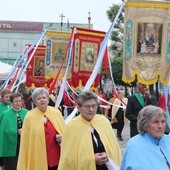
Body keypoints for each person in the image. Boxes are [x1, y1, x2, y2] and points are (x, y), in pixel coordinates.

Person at [58, 91, 122, 170]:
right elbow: (69, 158)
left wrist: (107, 155)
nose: (91, 109)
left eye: (94, 106)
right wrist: (91, 160)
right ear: (78, 107)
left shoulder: (104, 122)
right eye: (87, 106)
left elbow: (114, 148)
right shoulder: (71, 127)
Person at [17, 87, 65, 170]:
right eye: (38, 99)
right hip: (38, 154)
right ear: (35, 102)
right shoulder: (29, 116)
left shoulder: (56, 112)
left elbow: (64, 132)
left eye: (44, 97)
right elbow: (27, 140)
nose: (42, 100)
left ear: (48, 99)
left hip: (55, 156)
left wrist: (61, 138)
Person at [120, 105, 170, 170]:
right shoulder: (135, 144)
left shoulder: (168, 140)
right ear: (145, 125)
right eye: (156, 122)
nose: (160, 126)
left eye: (163, 121)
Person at [0, 92, 28, 170]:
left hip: (24, 143)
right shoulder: (6, 114)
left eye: (19, 101)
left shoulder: (27, 112)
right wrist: (16, 132)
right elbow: (3, 131)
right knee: (11, 166)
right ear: (11, 102)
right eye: (15, 101)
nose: (18, 103)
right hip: (10, 144)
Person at [0, 88, 12, 170]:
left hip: (11, 135)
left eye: (9, 97)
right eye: (6, 97)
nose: (8, 98)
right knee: (2, 158)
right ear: (2, 97)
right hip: (2, 135)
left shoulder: (12, 105)